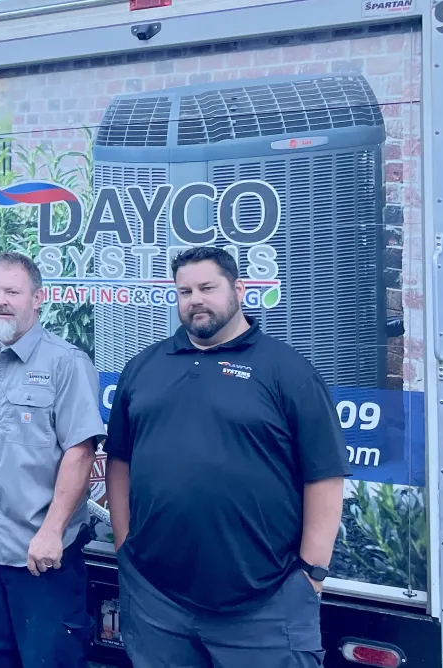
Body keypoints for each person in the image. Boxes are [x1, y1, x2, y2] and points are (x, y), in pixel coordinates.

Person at [106, 246, 349, 668]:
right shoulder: (144, 368)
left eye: (207, 288)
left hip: (264, 605)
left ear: (239, 290)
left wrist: (311, 574)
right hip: (157, 600)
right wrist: (126, 545)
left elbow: (324, 476)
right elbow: (120, 462)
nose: (195, 299)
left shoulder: (286, 371)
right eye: (184, 291)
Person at [0, 253, 105, 667]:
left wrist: (52, 531)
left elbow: (81, 451)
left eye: (12, 292)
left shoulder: (66, 363)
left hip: (41, 558)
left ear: (38, 299)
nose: (1, 300)